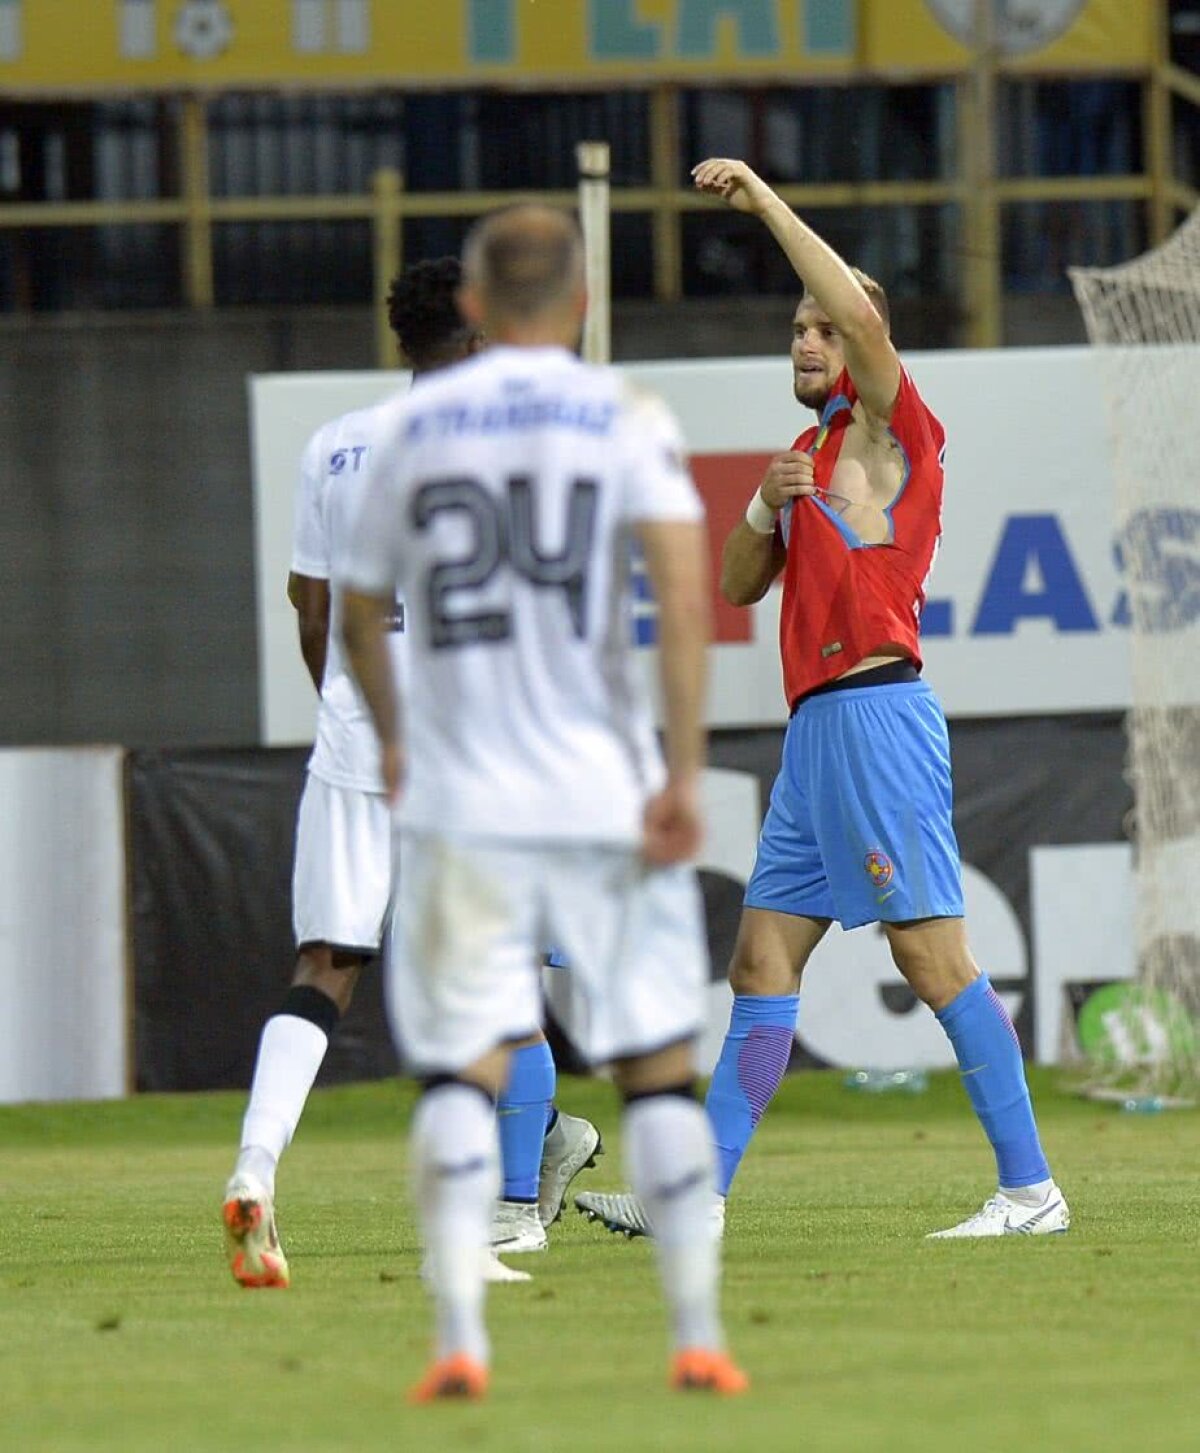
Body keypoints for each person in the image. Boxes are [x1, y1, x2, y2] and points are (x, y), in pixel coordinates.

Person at [575, 157, 1069, 1243]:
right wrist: (759, 507)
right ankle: (693, 1202)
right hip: (815, 734)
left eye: (823, 328)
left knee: (931, 958)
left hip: (877, 715)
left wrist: (763, 203)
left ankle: (1031, 1188)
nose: (806, 339)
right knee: (761, 959)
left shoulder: (901, 433)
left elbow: (854, 301)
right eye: (796, 328)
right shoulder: (805, 457)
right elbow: (743, 586)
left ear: (865, 344)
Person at [340, 204, 748, 1402]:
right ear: (575, 303)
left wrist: (402, 743)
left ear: (470, 304)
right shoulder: (624, 417)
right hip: (595, 781)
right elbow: (683, 600)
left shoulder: (412, 428)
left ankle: (460, 1335)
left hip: (463, 785)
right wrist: (680, 767)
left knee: (464, 1057)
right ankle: (695, 1334)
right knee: (658, 1064)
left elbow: (361, 612)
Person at [221, 257, 599, 1291]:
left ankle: (255, 1167)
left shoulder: (334, 447)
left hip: (354, 739)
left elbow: (311, 610)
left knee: (325, 969)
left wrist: (347, 708)